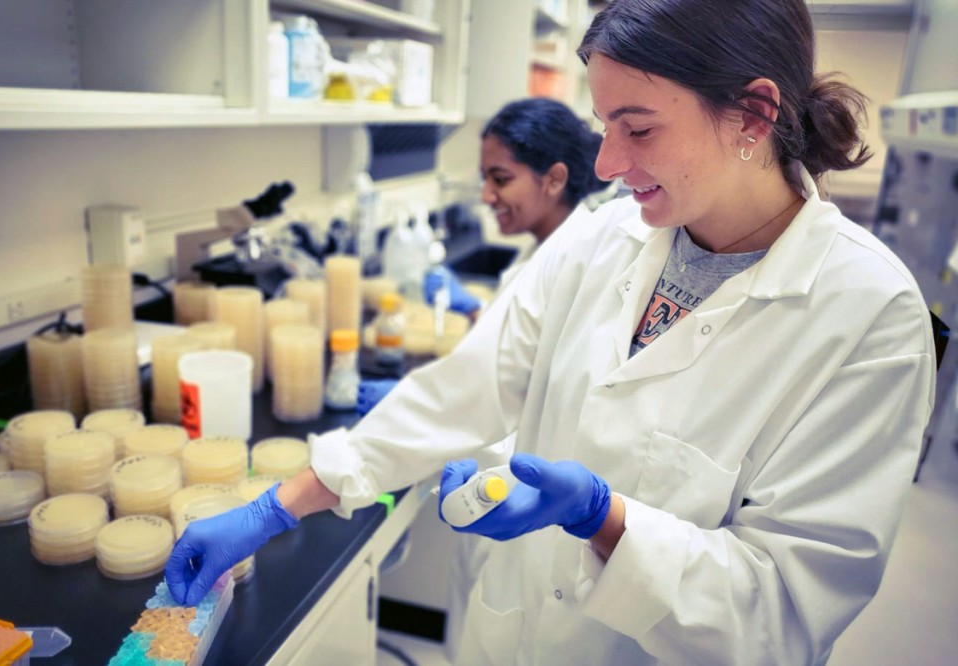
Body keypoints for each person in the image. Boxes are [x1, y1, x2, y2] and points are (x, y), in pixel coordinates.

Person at [165, 1, 936, 664]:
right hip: (511, 635)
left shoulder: (868, 315)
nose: (606, 161)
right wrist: (278, 506)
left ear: (754, 114)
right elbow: (466, 388)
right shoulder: (604, 235)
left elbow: (782, 617)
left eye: (637, 128)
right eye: (604, 125)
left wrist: (603, 517)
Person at [424, 96, 611, 318]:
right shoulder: (549, 246)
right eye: (485, 179)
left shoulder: (573, 265)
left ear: (554, 179)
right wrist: (476, 309)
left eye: (501, 179)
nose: (486, 196)